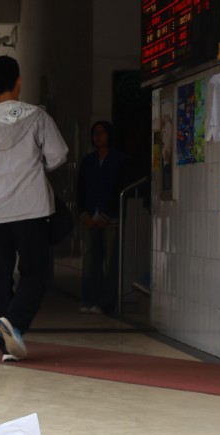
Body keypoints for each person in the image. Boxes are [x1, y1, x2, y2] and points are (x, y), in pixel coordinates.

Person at [0, 55, 68, 362]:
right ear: (19, 81)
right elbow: (58, 155)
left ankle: (5, 344)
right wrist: (36, 168)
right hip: (31, 209)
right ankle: (15, 323)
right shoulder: (37, 117)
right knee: (35, 271)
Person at [76, 120, 129, 315]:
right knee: (90, 262)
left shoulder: (119, 160)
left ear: (109, 135)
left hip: (111, 219)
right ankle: (89, 299)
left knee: (111, 263)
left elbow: (119, 189)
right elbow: (80, 189)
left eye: (102, 133)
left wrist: (106, 214)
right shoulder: (88, 161)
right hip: (90, 218)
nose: (98, 137)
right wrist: (85, 215)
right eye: (95, 133)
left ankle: (106, 303)